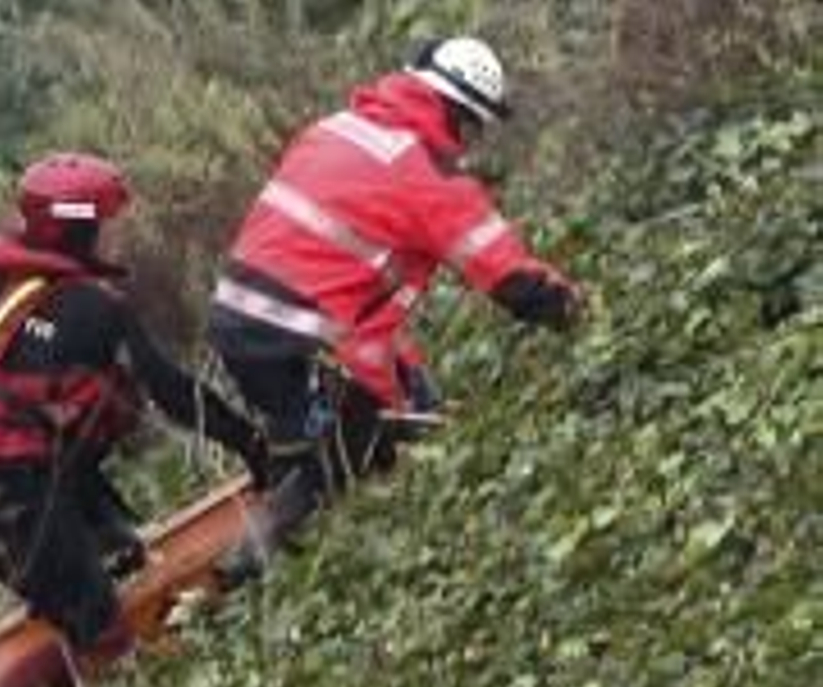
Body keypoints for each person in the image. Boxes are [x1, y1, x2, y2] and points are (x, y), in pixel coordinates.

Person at [207, 37, 585, 576]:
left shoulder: (335, 128)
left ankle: (292, 515)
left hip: (236, 323)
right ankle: (247, 563)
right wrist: (574, 312)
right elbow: (513, 279)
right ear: (456, 115)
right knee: (354, 445)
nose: (468, 144)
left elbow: (357, 299)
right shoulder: (426, 174)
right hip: (295, 333)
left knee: (354, 418)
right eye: (471, 128)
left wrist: (406, 385)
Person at [0, 151, 269, 661]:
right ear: (76, 230)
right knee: (96, 621)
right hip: (8, 483)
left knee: (119, 555)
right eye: (108, 222)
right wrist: (252, 445)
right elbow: (172, 391)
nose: (119, 234)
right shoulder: (91, 306)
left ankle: (108, 560)